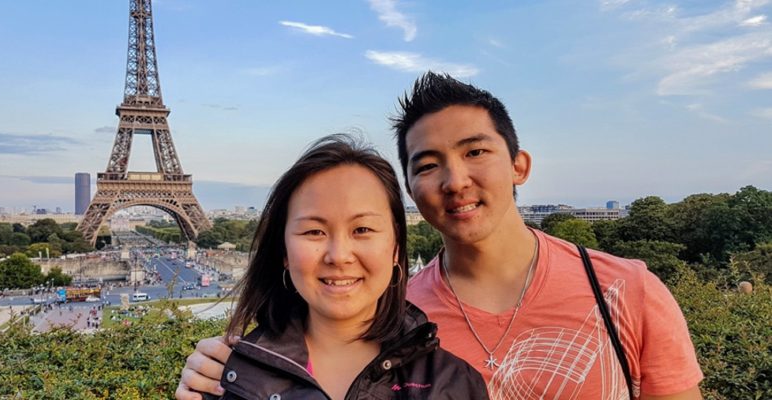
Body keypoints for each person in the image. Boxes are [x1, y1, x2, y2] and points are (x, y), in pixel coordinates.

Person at [176, 73, 703, 400]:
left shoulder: (628, 290)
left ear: (519, 165)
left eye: (475, 152)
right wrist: (232, 372)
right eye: (428, 165)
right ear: (411, 188)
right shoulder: (392, 321)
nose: (454, 181)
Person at [197, 135, 488, 399]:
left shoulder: (456, 385)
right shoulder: (225, 377)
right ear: (283, 251)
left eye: (362, 229)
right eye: (314, 232)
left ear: (396, 249)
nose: (338, 256)